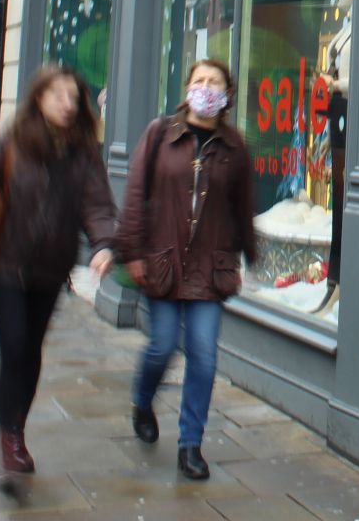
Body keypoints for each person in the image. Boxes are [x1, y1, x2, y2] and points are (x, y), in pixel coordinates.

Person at [0, 67, 117, 490]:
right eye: (58, 94)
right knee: (15, 345)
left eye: (74, 96)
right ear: (38, 98)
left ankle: (16, 428)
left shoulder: (82, 152)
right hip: (6, 264)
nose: (67, 102)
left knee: (31, 349)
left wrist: (104, 244)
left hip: (51, 268)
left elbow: (97, 204)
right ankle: (8, 442)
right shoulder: (11, 142)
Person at [117, 58, 258, 482]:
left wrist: (248, 258)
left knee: (203, 355)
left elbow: (243, 209)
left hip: (209, 269)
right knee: (162, 345)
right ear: (187, 88)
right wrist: (133, 252)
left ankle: (190, 444)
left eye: (214, 82)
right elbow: (136, 191)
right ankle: (143, 400)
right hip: (161, 262)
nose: (206, 87)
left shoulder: (234, 147)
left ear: (227, 94)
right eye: (199, 80)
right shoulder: (160, 133)